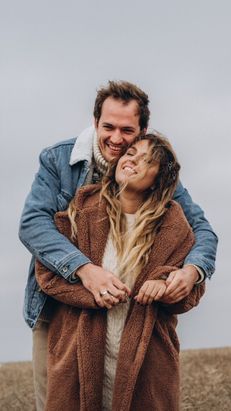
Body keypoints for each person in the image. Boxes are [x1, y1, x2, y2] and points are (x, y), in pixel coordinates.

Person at [19, 81, 217, 410]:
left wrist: (191, 271)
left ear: (142, 130)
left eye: (127, 130)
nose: (116, 138)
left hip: (132, 322)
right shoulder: (59, 161)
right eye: (108, 126)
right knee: (60, 397)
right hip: (59, 311)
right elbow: (32, 225)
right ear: (95, 122)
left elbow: (201, 230)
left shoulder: (157, 175)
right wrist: (84, 270)